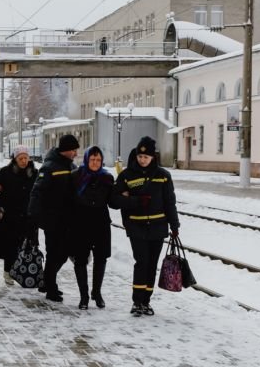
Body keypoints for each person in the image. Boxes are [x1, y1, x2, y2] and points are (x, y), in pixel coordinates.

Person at [114, 136, 180, 316]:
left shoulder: (163, 176)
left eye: (146, 157)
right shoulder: (126, 175)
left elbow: (169, 203)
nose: (142, 160)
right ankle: (137, 301)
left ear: (153, 158)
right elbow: (114, 200)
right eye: (140, 156)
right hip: (136, 226)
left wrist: (174, 226)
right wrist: (134, 200)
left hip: (158, 227)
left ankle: (146, 301)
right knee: (141, 262)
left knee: (152, 264)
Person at [28, 134, 78, 302]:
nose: (75, 153)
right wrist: (33, 216)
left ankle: (48, 282)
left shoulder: (71, 166)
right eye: (73, 150)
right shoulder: (49, 167)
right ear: (65, 150)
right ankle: (50, 287)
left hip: (67, 218)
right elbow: (37, 192)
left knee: (63, 253)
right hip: (52, 219)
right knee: (54, 253)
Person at [69, 146, 117, 310]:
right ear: (87, 160)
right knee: (80, 260)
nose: (95, 163)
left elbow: (113, 202)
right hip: (80, 223)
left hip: (101, 223)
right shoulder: (76, 177)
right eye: (92, 159)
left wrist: (123, 194)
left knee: (101, 258)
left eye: (98, 160)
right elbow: (67, 199)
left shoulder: (107, 178)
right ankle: (84, 295)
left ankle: (97, 292)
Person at [0, 145, 38, 285]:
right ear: (15, 159)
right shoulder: (5, 172)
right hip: (9, 216)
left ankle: (26, 272)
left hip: (28, 216)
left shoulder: (34, 173)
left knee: (27, 245)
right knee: (9, 246)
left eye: (26, 158)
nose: (23, 161)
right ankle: (8, 272)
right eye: (20, 158)